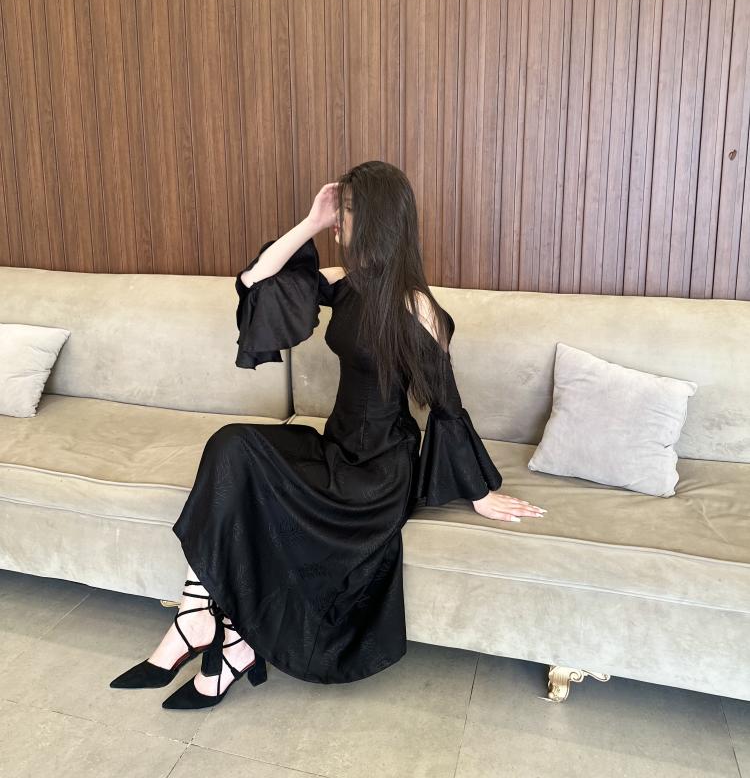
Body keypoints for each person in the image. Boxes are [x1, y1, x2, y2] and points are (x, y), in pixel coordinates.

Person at [110, 160, 546, 708]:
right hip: (335, 446)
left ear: (380, 220)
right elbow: (255, 281)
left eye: (350, 212)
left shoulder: (416, 307)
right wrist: (312, 222)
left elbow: (446, 404)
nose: (341, 221)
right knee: (232, 445)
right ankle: (201, 615)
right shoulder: (347, 282)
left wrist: (479, 492)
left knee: (252, 476)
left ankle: (224, 639)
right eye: (341, 210)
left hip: (378, 473)